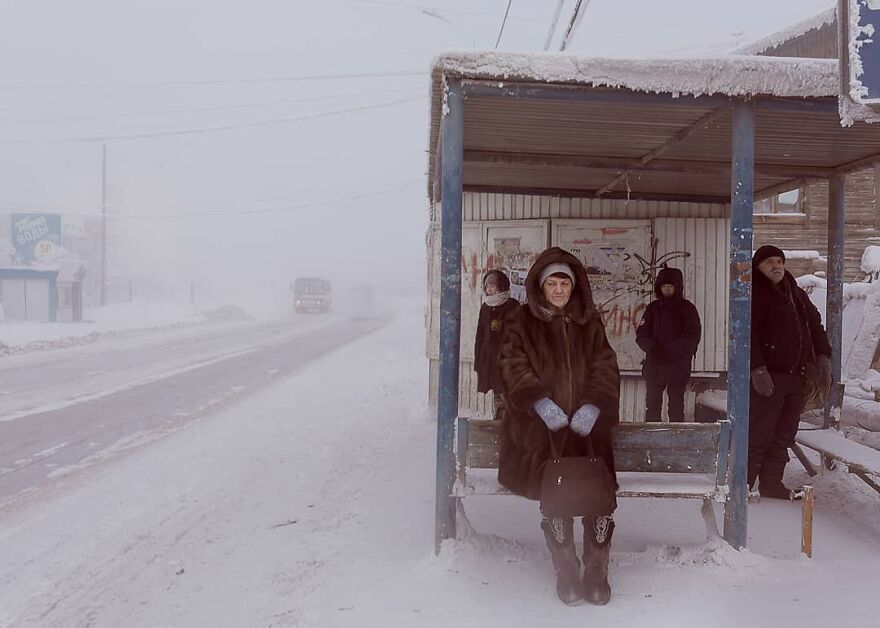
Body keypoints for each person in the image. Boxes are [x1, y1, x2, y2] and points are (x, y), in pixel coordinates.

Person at [498, 247, 620, 606]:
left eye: (564, 282)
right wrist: (539, 401)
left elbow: (605, 364)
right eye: (551, 282)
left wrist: (594, 404)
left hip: (587, 430)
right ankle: (566, 570)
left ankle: (596, 572)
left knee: (599, 497)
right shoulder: (520, 320)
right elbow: (511, 363)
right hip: (539, 431)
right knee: (556, 497)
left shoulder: (588, 320)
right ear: (540, 286)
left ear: (574, 285)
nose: (558, 290)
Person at [750, 245, 832, 499]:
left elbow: (814, 322)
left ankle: (772, 484)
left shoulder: (793, 290)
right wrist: (756, 367)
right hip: (769, 377)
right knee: (759, 432)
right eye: (769, 263)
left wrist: (823, 355)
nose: (776, 266)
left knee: (784, 433)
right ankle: (743, 485)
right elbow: (747, 333)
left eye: (779, 261)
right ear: (758, 268)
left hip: (796, 376)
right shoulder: (755, 293)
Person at [635, 266, 701, 422]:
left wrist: (670, 351)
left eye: (670, 286)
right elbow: (641, 334)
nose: (666, 289)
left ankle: (677, 441)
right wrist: (653, 349)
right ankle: (651, 439)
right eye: (663, 286)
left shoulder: (688, 309)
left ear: (677, 287)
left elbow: (692, 336)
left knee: (676, 407)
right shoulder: (653, 308)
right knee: (652, 406)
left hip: (678, 366)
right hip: (655, 365)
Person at [473, 270, 519, 420]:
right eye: (487, 287)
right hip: (489, 356)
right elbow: (480, 334)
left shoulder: (512, 305)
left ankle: (510, 419)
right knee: (495, 388)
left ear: (501, 286)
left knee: (507, 388)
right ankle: (498, 418)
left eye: (493, 286)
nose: (489, 290)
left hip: (506, 355)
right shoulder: (485, 307)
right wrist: (478, 359)